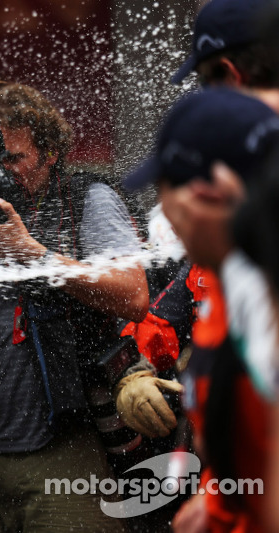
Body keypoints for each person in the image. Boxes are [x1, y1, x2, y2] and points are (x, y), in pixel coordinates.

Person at [0, 81, 156, 532]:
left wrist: (36, 256)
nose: (4, 172)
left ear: (52, 152)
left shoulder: (85, 198)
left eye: (16, 158)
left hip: (64, 439)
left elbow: (135, 296)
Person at [123, 88, 279, 533]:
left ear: (213, 190)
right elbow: (154, 332)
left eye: (166, 189)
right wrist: (133, 376)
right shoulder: (216, 274)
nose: (167, 218)